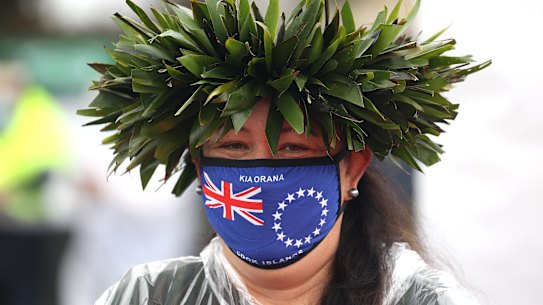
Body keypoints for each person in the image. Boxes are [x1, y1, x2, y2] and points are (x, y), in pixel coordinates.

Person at [80, 0, 490, 304]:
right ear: (202, 168)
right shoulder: (148, 296)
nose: (263, 171)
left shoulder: (420, 300)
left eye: (294, 148)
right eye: (235, 146)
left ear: (353, 170)